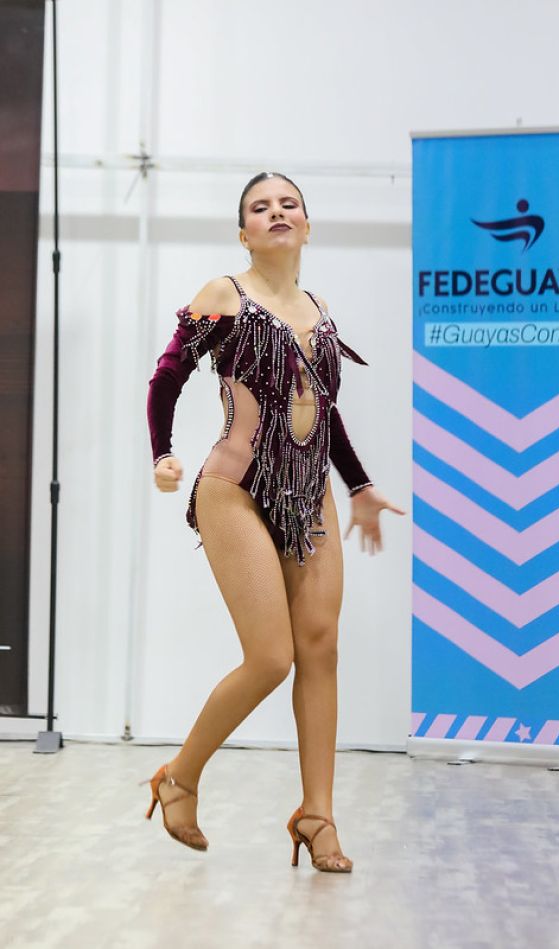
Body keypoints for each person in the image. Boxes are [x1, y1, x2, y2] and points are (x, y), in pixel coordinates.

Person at [145, 171, 405, 872]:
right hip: (234, 489)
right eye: (260, 208)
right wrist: (162, 454)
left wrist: (361, 486)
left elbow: (325, 412)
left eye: (289, 203)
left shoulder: (320, 309)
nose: (277, 212)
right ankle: (179, 776)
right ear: (245, 234)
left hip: (307, 494)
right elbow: (166, 377)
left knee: (320, 648)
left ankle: (317, 815)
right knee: (271, 657)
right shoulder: (223, 295)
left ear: (307, 226)